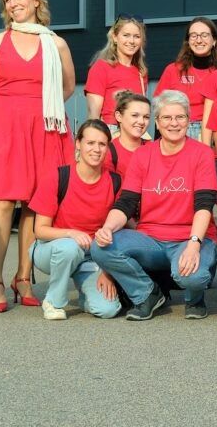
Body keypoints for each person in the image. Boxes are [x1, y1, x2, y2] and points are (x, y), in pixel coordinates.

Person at [0, 0, 77, 312]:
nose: (13, 3)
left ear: (36, 1)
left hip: (45, 128)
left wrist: (44, 107)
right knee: (1, 203)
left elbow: (68, 86)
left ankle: (24, 277)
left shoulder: (56, 44)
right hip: (4, 126)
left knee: (35, 203)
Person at [91, 90, 217, 321]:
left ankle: (195, 298)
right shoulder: (143, 155)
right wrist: (108, 228)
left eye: (180, 117)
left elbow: (204, 205)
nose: (174, 123)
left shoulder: (202, 153)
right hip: (151, 238)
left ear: (188, 121)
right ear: (158, 123)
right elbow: (126, 203)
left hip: (190, 236)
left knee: (191, 277)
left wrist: (193, 244)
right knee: (101, 247)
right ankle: (147, 294)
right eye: (167, 118)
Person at [29, 119, 124, 320]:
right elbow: (40, 230)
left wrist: (107, 271)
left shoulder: (114, 182)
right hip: (52, 249)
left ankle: (86, 297)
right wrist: (71, 233)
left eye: (102, 144)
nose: (96, 149)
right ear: (78, 144)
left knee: (107, 310)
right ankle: (53, 302)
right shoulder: (58, 176)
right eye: (90, 143)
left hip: (91, 256)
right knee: (69, 248)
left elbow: (121, 230)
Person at [155, 18, 217, 141]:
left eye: (204, 35)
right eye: (193, 36)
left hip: (214, 134)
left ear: (214, 40)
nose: (199, 40)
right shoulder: (173, 70)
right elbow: (160, 109)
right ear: (187, 41)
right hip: (179, 132)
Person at [84, 16, 147, 123]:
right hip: (111, 131)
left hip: (136, 132)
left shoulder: (141, 72)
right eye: (126, 35)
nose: (131, 41)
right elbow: (93, 114)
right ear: (115, 37)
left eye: (136, 36)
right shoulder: (101, 67)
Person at [106, 91, 150, 177]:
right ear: (119, 116)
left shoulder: (153, 149)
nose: (141, 122)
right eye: (135, 115)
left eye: (146, 117)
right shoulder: (108, 152)